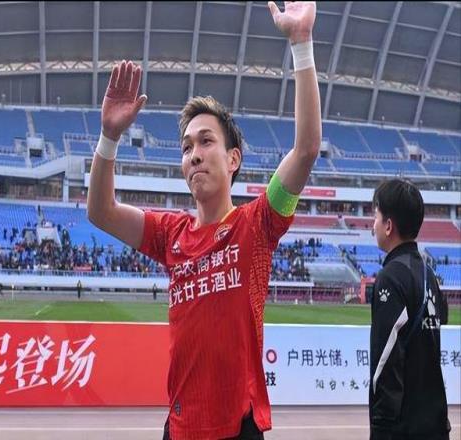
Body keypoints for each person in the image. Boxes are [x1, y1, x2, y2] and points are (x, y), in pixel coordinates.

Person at [87, 2, 320, 438]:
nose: (194, 154)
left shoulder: (258, 223)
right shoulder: (169, 234)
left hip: (237, 429)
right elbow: (100, 211)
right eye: (186, 146)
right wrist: (109, 137)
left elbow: (306, 149)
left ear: (233, 159)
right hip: (179, 428)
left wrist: (301, 43)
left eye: (206, 141)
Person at [370, 179, 450, 440]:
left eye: (376, 216)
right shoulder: (429, 274)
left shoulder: (391, 277)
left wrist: (380, 428)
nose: (373, 225)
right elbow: (442, 319)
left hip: (402, 428)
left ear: (388, 225)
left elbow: (385, 361)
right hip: (436, 422)